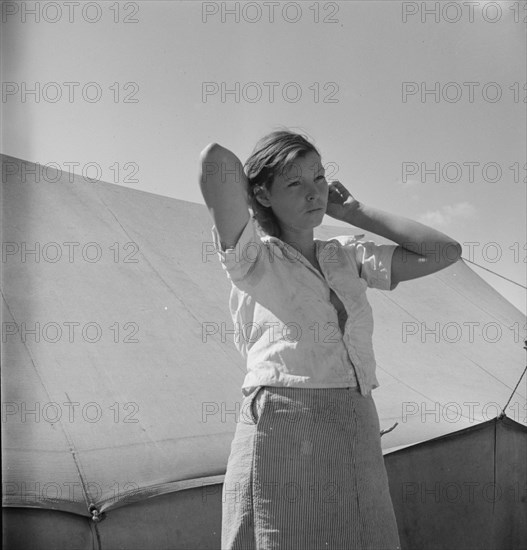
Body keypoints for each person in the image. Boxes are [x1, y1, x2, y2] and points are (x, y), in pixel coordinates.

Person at [199, 130, 462, 550]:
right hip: (281, 423)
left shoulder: (345, 255)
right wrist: (256, 199)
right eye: (295, 183)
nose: (314, 192)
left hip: (355, 418)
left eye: (319, 178)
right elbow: (215, 160)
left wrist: (355, 211)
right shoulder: (253, 258)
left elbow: (445, 251)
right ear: (263, 195)